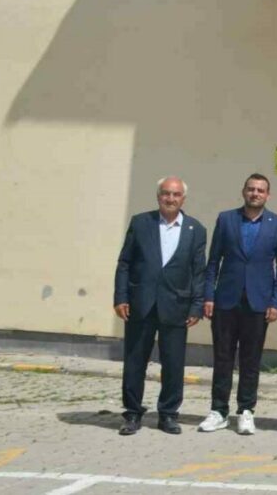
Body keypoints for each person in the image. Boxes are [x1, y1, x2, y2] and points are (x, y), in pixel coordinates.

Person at [113, 176, 207, 435]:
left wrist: (196, 306)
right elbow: (125, 263)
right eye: (166, 193)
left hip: (176, 306)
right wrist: (121, 297)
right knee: (135, 361)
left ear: (183, 199)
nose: (170, 198)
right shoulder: (141, 223)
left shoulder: (195, 229)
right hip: (140, 304)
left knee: (174, 363)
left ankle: (168, 414)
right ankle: (132, 413)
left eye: (176, 195)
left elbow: (199, 271)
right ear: (158, 196)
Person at [198, 173, 277, 435]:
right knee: (223, 357)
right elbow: (213, 260)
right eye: (251, 189)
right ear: (244, 192)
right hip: (226, 300)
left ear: (267, 195)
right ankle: (218, 411)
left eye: (261, 190)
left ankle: (246, 411)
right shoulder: (226, 219)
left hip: (259, 301)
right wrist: (208, 295)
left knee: (251, 360)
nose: (255, 194)